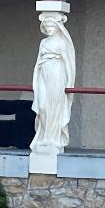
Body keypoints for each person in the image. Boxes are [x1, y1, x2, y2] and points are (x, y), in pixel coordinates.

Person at [30, 11, 76, 155]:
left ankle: (52, 138)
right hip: (43, 75)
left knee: (54, 107)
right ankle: (43, 136)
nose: (49, 28)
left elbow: (68, 63)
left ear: (57, 27)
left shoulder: (62, 43)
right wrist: (36, 79)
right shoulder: (43, 42)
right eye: (47, 26)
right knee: (42, 105)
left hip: (57, 75)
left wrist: (69, 82)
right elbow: (37, 62)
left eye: (52, 25)